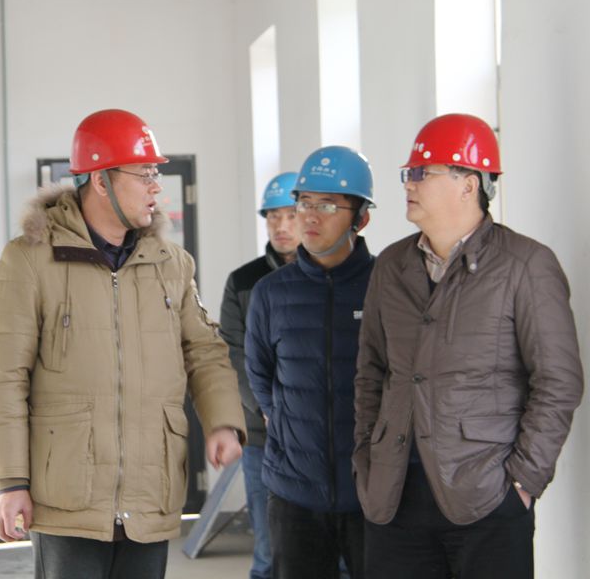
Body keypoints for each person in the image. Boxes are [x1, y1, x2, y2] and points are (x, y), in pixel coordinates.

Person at [0, 108, 246, 579]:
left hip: (150, 489)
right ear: (101, 180)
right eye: (145, 175)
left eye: (156, 173)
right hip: (66, 497)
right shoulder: (30, 260)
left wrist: (223, 422)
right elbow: (1, 377)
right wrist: (11, 481)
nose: (156, 187)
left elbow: (205, 351)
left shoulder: (171, 263)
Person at [353, 113, 584, 579]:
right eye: (409, 173)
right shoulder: (391, 266)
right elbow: (371, 372)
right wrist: (366, 459)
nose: (409, 183)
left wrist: (522, 481)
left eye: (423, 172)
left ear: (469, 184)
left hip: (487, 497)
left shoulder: (525, 265)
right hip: (394, 495)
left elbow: (558, 381)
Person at [246, 146, 376, 579]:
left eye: (327, 205)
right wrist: (288, 428)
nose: (310, 216)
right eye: (304, 203)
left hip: (373, 494)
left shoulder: (385, 285)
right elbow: (260, 374)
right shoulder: (271, 292)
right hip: (295, 493)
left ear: (361, 218)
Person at [219, 172, 301, 579]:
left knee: (335, 551)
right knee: (268, 550)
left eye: (290, 215)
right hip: (261, 435)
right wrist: (266, 407)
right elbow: (233, 353)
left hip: (320, 435)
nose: (280, 226)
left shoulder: (330, 276)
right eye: (272, 217)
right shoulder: (243, 281)